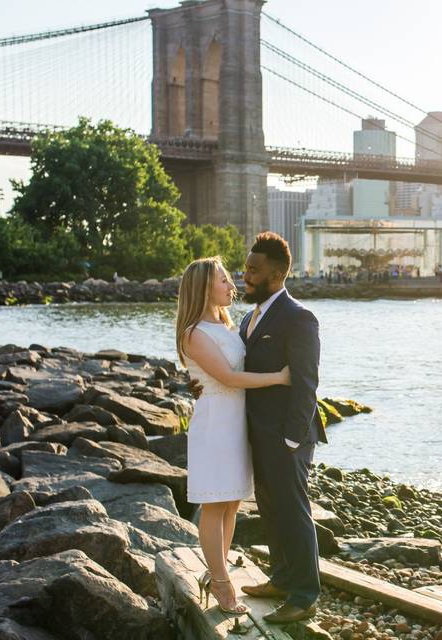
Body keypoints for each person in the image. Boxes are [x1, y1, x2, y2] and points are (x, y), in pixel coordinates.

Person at [191, 233, 325, 624]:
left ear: (278, 273)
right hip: (255, 433)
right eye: (245, 268)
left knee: (293, 510)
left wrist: (291, 436)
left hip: (287, 435)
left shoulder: (299, 317)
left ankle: (304, 594)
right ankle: (282, 578)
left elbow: (305, 382)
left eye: (254, 270)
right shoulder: (249, 317)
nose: (244, 276)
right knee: (270, 508)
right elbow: (227, 368)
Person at [176, 256, 292, 615]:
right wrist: (279, 377)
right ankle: (222, 584)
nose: (233, 285)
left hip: (236, 422)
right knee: (214, 504)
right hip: (215, 423)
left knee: (232, 503)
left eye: (229, 280)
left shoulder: (227, 324)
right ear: (204, 288)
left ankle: (219, 572)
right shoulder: (194, 332)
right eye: (224, 281)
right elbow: (226, 377)